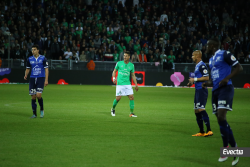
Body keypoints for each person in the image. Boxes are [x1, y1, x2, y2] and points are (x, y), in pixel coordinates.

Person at [203, 38, 243, 166]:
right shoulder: (210, 60)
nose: (206, 47)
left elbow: (239, 68)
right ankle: (235, 150)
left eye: (208, 45)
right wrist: (205, 83)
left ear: (213, 45)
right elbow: (214, 79)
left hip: (226, 89)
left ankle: (226, 149)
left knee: (221, 117)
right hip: (215, 91)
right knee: (221, 121)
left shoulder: (225, 54)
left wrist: (227, 79)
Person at [187, 50, 213, 137]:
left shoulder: (202, 65)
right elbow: (198, 78)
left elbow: (206, 77)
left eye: (193, 55)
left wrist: (194, 80)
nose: (192, 57)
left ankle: (209, 130)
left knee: (201, 109)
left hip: (202, 90)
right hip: (197, 90)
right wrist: (192, 82)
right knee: (196, 110)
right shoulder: (197, 66)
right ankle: (201, 132)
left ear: (198, 56)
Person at [24, 45, 49, 118]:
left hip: (40, 78)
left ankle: (41, 109)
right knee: (33, 97)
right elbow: (28, 68)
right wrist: (26, 75)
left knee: (38, 95)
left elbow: (46, 69)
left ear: (38, 50)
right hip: (32, 79)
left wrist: (46, 80)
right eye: (32, 50)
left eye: (34, 49)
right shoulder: (30, 59)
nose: (33, 51)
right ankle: (34, 114)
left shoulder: (43, 58)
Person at [111, 51, 139, 117]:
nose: (124, 57)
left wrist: (136, 84)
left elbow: (133, 75)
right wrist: (114, 78)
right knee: (118, 98)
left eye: (126, 56)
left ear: (129, 57)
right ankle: (113, 109)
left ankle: (131, 113)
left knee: (131, 97)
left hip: (127, 84)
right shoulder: (119, 63)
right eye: (124, 56)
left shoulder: (131, 65)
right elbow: (114, 71)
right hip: (120, 84)